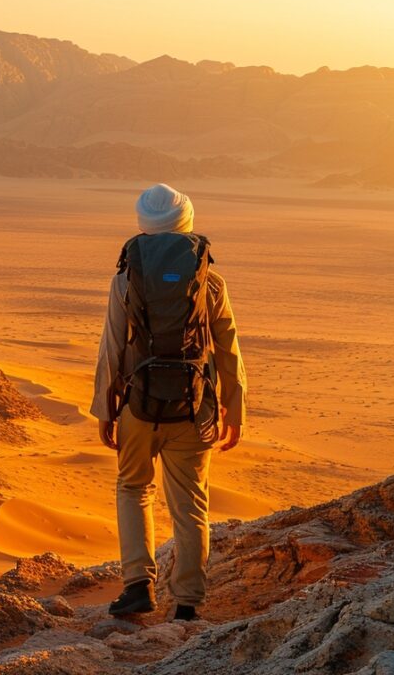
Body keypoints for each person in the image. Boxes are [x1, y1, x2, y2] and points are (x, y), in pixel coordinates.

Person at [90, 183, 247, 622]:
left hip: (138, 409)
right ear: (188, 223)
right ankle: (187, 604)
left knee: (133, 487)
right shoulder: (209, 281)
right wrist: (234, 412)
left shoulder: (124, 278)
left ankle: (138, 585)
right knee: (191, 503)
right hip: (193, 409)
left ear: (142, 225)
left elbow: (111, 349)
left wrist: (106, 408)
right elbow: (228, 350)